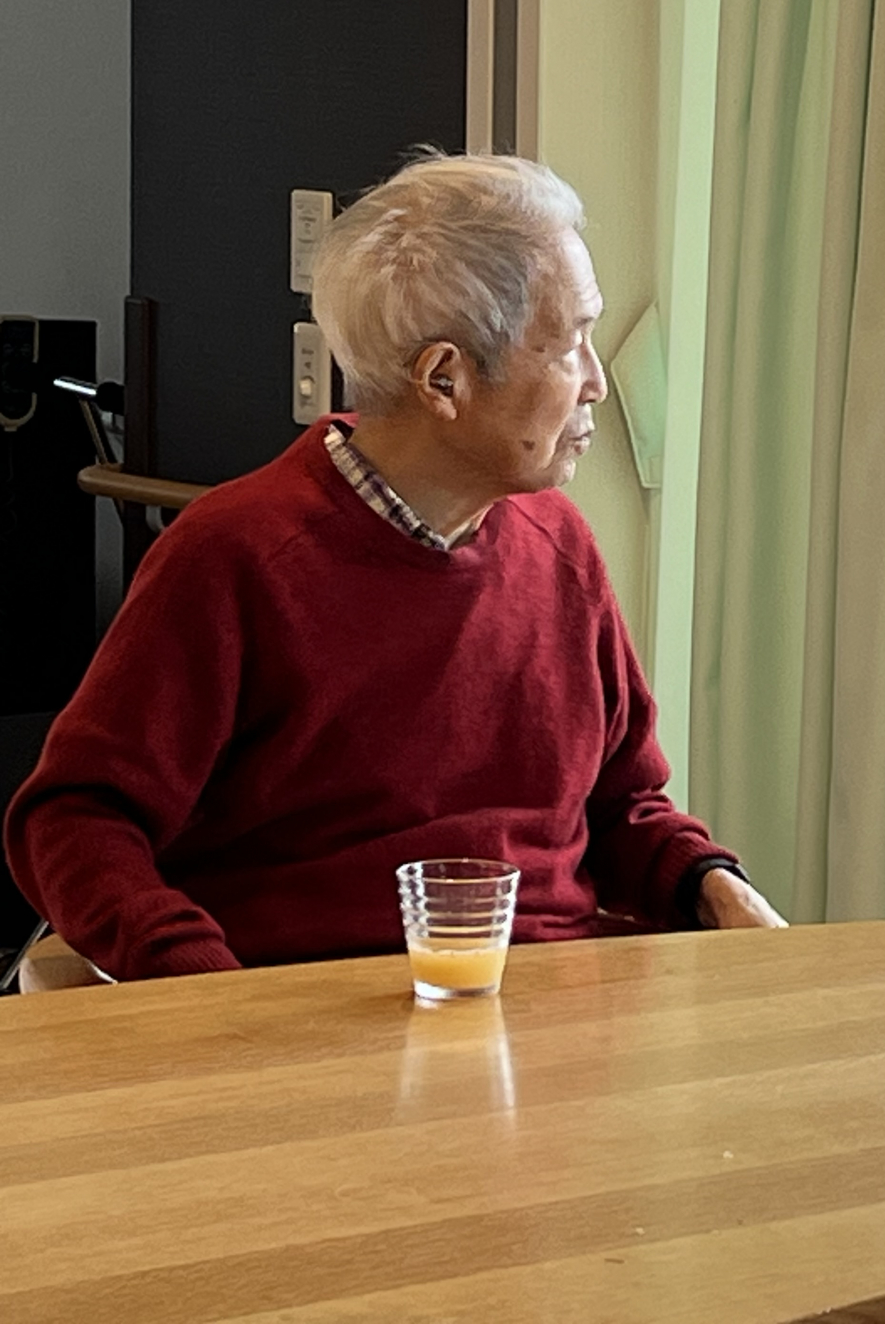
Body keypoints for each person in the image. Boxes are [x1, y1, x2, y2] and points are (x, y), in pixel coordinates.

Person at [4, 153, 785, 982]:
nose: (596, 382)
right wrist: (199, 986)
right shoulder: (233, 558)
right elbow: (73, 819)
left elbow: (624, 806)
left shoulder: (561, 545)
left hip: (552, 1008)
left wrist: (711, 885)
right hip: (307, 1010)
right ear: (444, 379)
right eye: (568, 346)